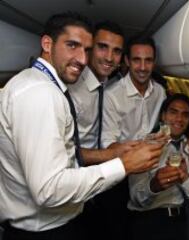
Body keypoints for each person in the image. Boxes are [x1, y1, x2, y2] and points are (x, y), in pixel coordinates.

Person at [0, 12, 162, 240]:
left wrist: (113, 152)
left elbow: (61, 151)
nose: (83, 59)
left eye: (85, 49)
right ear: (47, 44)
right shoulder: (41, 94)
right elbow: (49, 189)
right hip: (43, 227)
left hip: (72, 204)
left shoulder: (50, 86)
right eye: (72, 46)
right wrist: (121, 163)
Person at [66, 21, 136, 240]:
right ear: (90, 48)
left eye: (116, 51)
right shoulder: (72, 88)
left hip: (101, 178)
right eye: (102, 47)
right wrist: (110, 154)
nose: (109, 57)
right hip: (75, 177)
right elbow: (63, 151)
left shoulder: (108, 82)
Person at [128, 93, 189, 240]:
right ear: (163, 116)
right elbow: (136, 198)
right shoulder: (144, 144)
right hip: (149, 219)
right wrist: (154, 186)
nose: (179, 119)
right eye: (173, 112)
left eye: (185, 115)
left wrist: (187, 180)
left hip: (182, 219)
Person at [102, 36, 166, 145]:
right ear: (127, 61)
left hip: (154, 156)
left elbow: (169, 121)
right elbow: (108, 143)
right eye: (137, 60)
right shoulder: (111, 96)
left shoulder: (160, 92)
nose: (143, 67)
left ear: (154, 62)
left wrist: (188, 135)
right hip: (126, 159)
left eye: (148, 60)